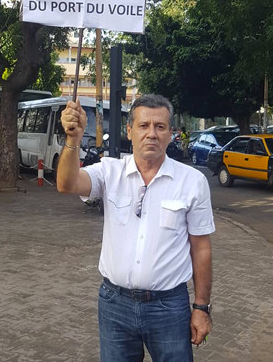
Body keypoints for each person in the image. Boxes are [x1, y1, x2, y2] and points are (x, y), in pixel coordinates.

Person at [57, 94, 214, 362]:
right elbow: (67, 184)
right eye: (143, 126)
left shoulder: (192, 182)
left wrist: (201, 307)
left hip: (169, 308)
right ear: (129, 131)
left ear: (170, 133)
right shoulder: (110, 172)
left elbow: (201, 249)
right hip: (114, 305)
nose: (151, 134)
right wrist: (72, 139)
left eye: (160, 126)